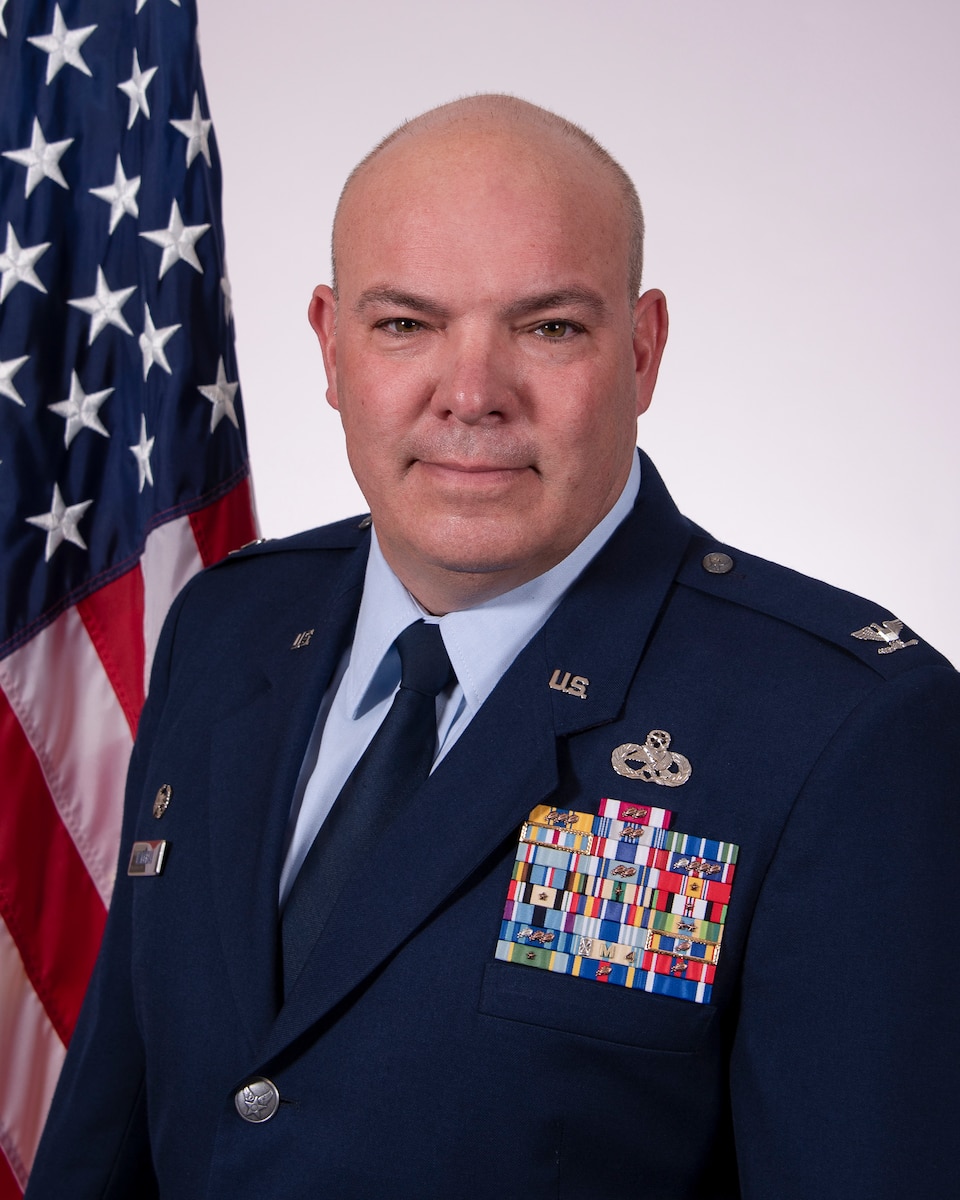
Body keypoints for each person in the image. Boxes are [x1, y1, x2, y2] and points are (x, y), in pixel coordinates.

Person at [27, 94, 960, 1199]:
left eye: (549, 327)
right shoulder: (229, 630)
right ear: (330, 346)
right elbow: (109, 1141)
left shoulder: (836, 729)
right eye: (404, 325)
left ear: (643, 351)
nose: (471, 396)